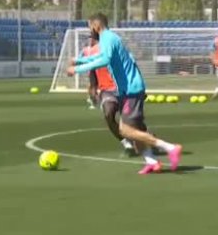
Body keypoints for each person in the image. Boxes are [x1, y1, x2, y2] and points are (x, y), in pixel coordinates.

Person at [67, 13, 183, 174]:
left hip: (131, 90)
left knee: (125, 130)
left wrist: (77, 69)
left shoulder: (107, 38)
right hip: (127, 90)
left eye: (89, 27)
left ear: (95, 26)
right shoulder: (109, 38)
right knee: (136, 131)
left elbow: (104, 60)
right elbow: (100, 56)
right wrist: (80, 60)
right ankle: (152, 162)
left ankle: (170, 148)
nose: (90, 31)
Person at [79, 32, 137, 157]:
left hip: (124, 89)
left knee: (132, 123)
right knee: (108, 114)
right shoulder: (92, 54)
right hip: (107, 91)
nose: (90, 42)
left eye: (92, 39)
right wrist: (93, 90)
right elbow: (92, 73)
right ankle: (127, 144)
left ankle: (150, 140)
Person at [79, 37, 100, 110]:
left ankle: (94, 98)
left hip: (99, 69)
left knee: (95, 86)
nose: (91, 41)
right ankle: (93, 101)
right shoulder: (86, 49)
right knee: (93, 86)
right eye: (90, 40)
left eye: (92, 40)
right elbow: (80, 57)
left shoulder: (98, 48)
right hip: (92, 70)